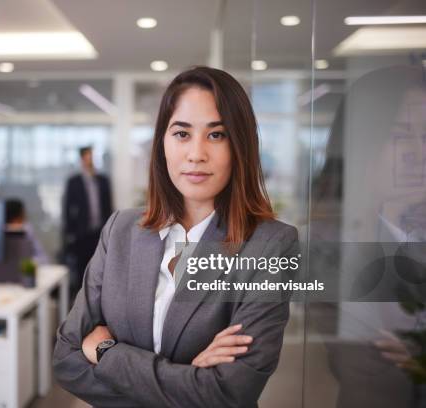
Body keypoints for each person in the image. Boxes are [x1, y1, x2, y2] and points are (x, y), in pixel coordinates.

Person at [52, 66, 299, 407]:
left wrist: (107, 352)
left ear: (240, 145)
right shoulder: (120, 230)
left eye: (216, 135)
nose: (196, 153)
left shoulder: (270, 245)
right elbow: (66, 360)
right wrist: (189, 382)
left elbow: (229, 393)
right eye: (182, 134)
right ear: (162, 144)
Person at [62, 146, 113, 298]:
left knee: (100, 268)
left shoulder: (103, 180)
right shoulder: (74, 182)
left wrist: (110, 230)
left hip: (99, 232)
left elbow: (108, 206)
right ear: (82, 159)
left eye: (92, 156)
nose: (90, 159)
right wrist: (69, 233)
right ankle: (81, 303)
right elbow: (67, 209)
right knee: (81, 269)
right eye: (87, 156)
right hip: (81, 233)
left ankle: (98, 300)